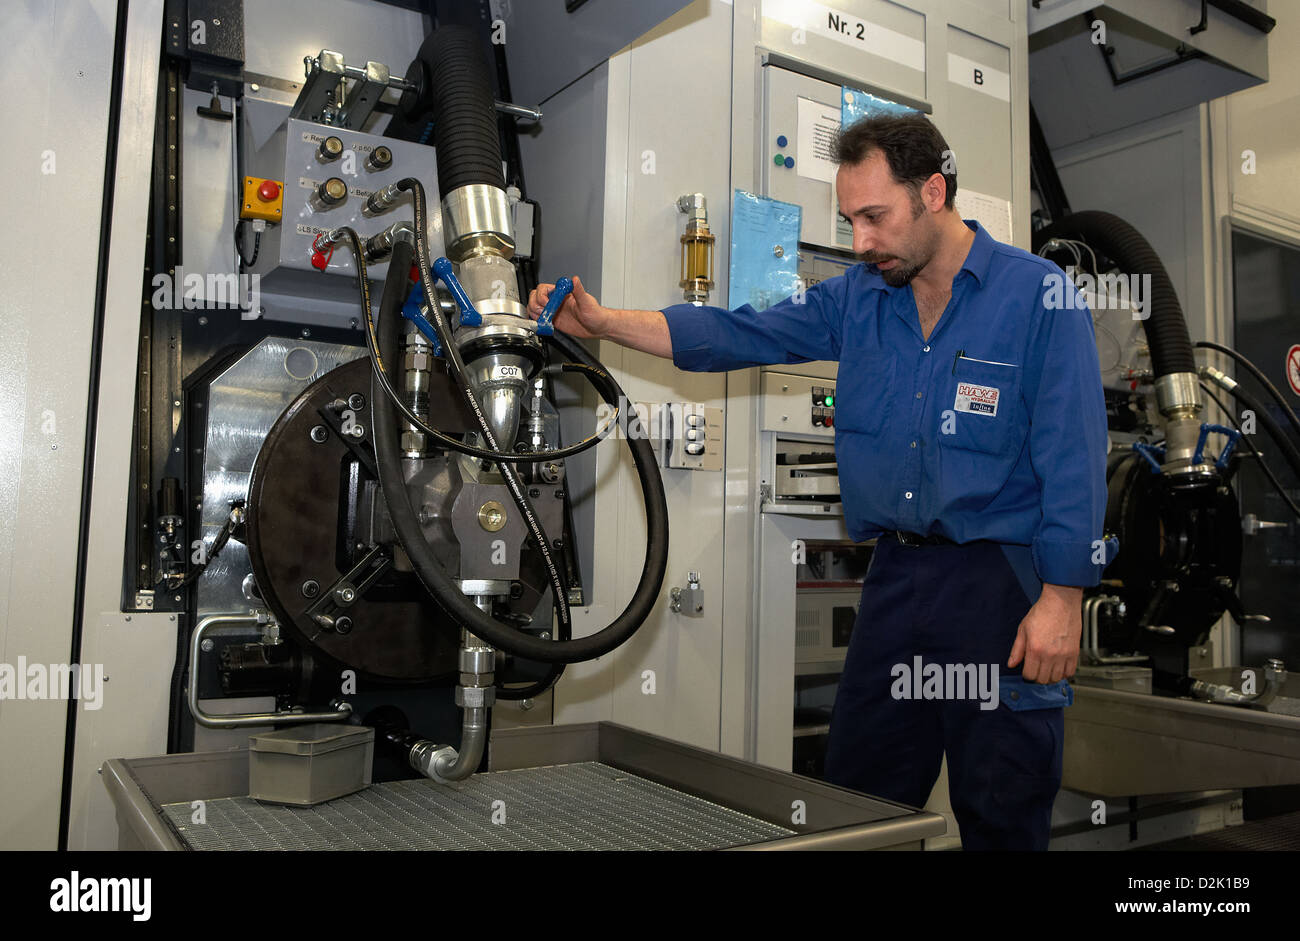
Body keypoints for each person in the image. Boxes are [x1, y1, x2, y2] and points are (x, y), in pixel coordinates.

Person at [526, 114, 1111, 850]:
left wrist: (1063, 599)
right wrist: (604, 322)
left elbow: (1076, 457)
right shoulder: (860, 297)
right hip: (896, 581)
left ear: (933, 192)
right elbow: (736, 334)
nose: (860, 241)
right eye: (850, 219)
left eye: (875, 217)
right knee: (858, 805)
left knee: (1002, 807)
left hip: (1000, 584)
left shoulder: (1038, 297)